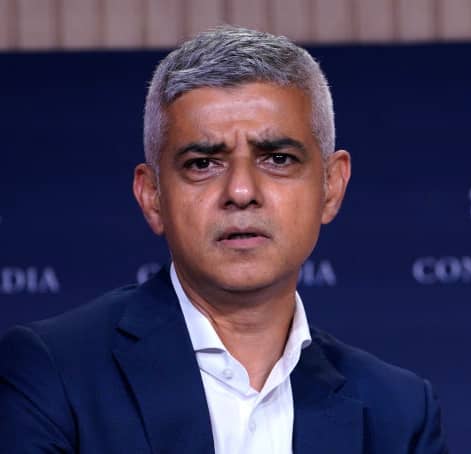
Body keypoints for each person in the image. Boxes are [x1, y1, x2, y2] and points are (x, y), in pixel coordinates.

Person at [0, 26, 448, 453]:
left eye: (277, 158)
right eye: (203, 163)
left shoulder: (399, 411)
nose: (240, 192)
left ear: (331, 186)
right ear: (152, 195)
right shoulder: (52, 374)